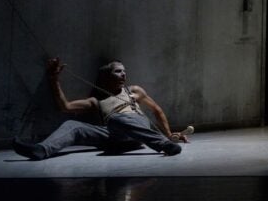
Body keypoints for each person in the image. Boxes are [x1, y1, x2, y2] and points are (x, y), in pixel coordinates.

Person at [12, 58, 188, 160]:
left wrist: (168, 134)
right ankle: (41, 150)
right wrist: (54, 79)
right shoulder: (97, 101)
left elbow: (156, 110)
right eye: (118, 71)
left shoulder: (134, 91)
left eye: (124, 71)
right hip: (113, 135)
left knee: (117, 119)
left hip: (136, 128)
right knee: (74, 125)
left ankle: (164, 145)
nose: (123, 74)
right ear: (107, 76)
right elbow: (64, 106)